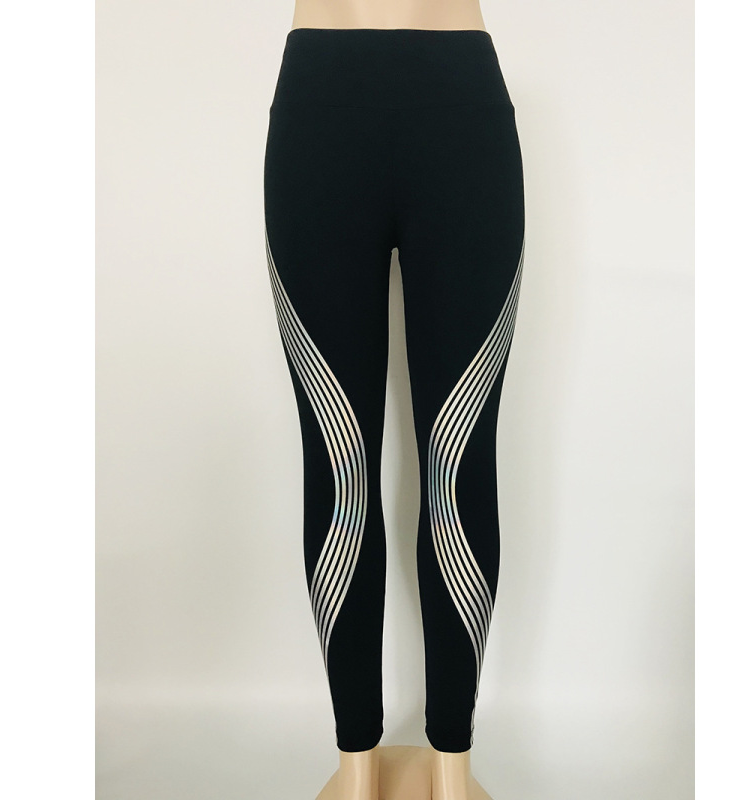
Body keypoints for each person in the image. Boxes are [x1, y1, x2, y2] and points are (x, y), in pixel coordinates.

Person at [263, 3, 524, 798]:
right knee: (340, 461)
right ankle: (357, 765)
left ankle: (453, 766)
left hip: (463, 109)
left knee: (457, 460)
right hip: (318, 109)